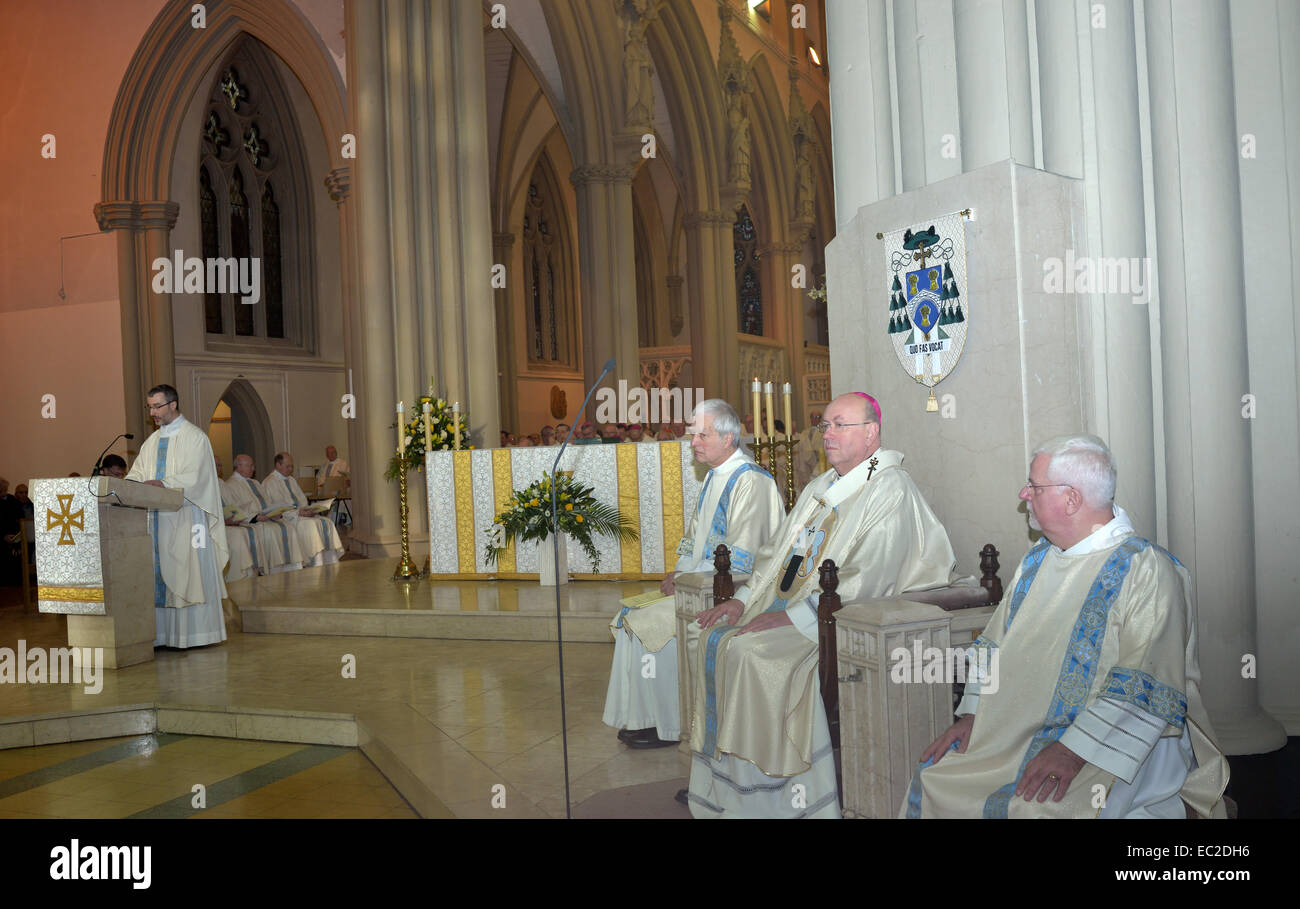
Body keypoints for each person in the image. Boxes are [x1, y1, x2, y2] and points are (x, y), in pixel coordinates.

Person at [901, 434, 1229, 818]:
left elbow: (1145, 683)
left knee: (1033, 809)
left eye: (1035, 486)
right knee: (936, 778)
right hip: (1015, 732)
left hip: (1121, 747)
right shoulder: (1037, 561)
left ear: (1072, 499)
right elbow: (994, 645)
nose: (1024, 493)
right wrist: (973, 715)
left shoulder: (1148, 571)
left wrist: (1072, 752)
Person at [685, 392, 958, 817]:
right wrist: (742, 602)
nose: (827, 434)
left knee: (753, 654)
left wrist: (792, 617)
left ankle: (777, 800)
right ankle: (727, 791)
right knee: (713, 639)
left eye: (839, 425)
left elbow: (872, 574)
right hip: (793, 607)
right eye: (824, 425)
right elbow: (776, 555)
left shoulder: (889, 488)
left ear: (871, 433)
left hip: (837, 624)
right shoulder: (822, 486)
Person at [603, 399, 784, 749]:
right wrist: (679, 571)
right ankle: (646, 717)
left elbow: (741, 556)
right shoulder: (716, 476)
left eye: (703, 434)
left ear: (729, 438)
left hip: (731, 592)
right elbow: (695, 538)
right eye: (692, 435)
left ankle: (668, 724)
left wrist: (690, 578)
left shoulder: (751, 481)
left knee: (646, 624)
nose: (694, 442)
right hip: (698, 583)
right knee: (633, 614)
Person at [124, 383, 229, 648]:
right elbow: (136, 474)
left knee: (189, 572)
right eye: (149, 407)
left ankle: (194, 635)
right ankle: (162, 636)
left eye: (157, 406)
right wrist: (127, 485)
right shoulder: (152, 442)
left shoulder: (195, 437)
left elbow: (198, 477)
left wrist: (165, 483)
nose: (153, 413)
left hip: (186, 520)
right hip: (157, 522)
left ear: (173, 404)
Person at [261, 452, 344, 567]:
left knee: (327, 522)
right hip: (287, 518)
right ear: (278, 465)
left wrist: (310, 509)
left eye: (292, 466)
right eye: (287, 466)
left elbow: (302, 499)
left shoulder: (291, 480)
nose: (290, 469)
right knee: (311, 525)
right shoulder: (270, 482)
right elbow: (278, 507)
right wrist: (299, 512)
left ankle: (330, 562)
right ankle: (315, 563)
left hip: (300, 514)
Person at [224, 454, 303, 575]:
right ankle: (274, 570)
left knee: (289, 527)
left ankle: (290, 568)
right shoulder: (230, 485)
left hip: (267, 517)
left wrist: (275, 513)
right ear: (239, 467)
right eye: (250, 466)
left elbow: (268, 502)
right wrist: (257, 517)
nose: (253, 469)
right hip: (253, 521)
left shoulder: (255, 482)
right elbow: (235, 508)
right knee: (271, 530)